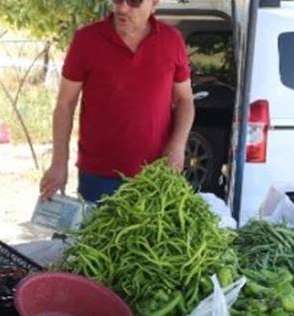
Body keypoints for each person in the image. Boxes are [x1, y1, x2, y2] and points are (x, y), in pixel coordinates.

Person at [38, 0, 195, 204]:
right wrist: (59, 163)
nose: (122, 8)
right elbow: (65, 103)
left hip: (156, 176)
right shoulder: (86, 40)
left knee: (149, 236)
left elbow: (185, 100)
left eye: (134, 2)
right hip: (98, 176)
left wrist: (178, 145)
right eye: (117, 0)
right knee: (95, 234)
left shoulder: (172, 40)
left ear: (154, 3)